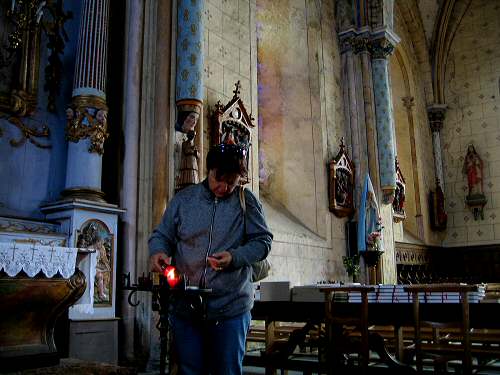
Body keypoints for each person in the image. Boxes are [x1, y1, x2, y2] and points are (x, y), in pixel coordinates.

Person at [149, 143, 273, 375]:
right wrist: (158, 251)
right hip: (186, 307)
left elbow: (263, 242)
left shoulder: (246, 202)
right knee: (190, 370)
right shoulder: (184, 200)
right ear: (209, 170)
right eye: (219, 178)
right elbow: (161, 235)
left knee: (226, 371)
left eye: (232, 181)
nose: (224, 187)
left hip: (230, 309)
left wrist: (235, 257)